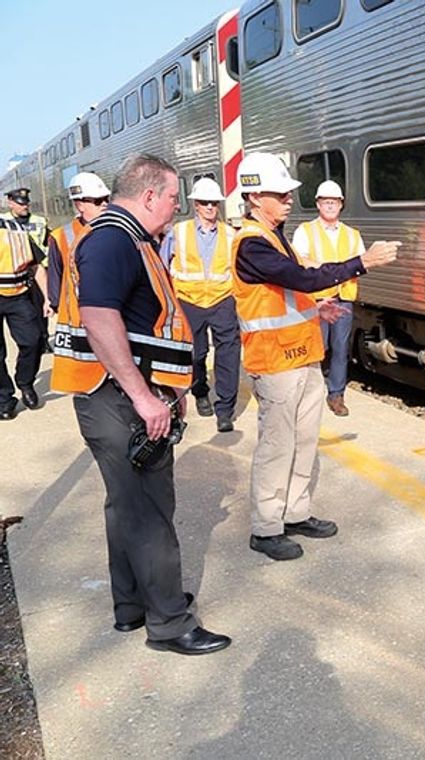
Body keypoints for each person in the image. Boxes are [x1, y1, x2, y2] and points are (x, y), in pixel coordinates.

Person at [50, 154, 230, 656]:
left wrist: (171, 391)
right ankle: (170, 621)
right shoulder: (113, 240)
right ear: (149, 195)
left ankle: (134, 604)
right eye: (174, 198)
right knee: (150, 510)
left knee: (125, 505)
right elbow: (99, 318)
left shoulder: (128, 238)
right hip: (116, 398)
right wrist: (145, 398)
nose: (178, 207)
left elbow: (145, 324)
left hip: (117, 394)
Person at [232, 153, 400, 561]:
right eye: (281, 193)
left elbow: (289, 295)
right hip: (274, 364)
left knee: (304, 440)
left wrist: (315, 310)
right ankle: (267, 527)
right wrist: (364, 262)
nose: (291, 198)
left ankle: (295, 512)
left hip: (304, 358)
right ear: (255, 197)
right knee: (277, 444)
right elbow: (302, 278)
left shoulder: (277, 237)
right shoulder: (251, 243)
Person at [160, 177, 239, 432]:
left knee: (228, 354)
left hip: (222, 300)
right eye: (204, 203)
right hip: (189, 301)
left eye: (213, 203)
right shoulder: (178, 232)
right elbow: (161, 267)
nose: (209, 207)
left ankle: (225, 409)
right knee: (196, 354)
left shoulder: (230, 234)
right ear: (195, 205)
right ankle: (200, 390)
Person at [291, 180, 364, 417]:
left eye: (334, 201)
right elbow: (299, 261)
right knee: (315, 347)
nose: (330, 205)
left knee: (340, 348)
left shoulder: (353, 235)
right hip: (316, 300)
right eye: (326, 201)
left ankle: (336, 395)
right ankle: (308, 394)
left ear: (341, 204)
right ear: (318, 204)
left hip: (343, 299)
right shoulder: (305, 231)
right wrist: (332, 269)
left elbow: (361, 264)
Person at [46, 172, 111, 314]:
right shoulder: (60, 236)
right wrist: (54, 303)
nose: (105, 204)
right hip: (78, 316)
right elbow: (55, 277)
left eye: (107, 199)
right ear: (80, 204)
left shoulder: (118, 230)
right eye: (98, 200)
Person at [0, 216, 44, 418]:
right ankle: (4, 399)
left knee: (33, 341)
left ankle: (25, 383)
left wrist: (47, 299)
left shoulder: (16, 229)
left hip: (18, 296)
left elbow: (36, 266)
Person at [3, 187, 52, 354]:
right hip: (14, 277)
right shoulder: (4, 222)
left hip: (38, 269)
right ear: (10, 203)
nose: (25, 206)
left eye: (26, 203)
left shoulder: (40, 221)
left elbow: (47, 242)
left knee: (39, 309)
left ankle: (43, 339)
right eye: (20, 203)